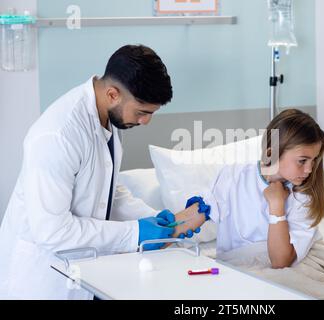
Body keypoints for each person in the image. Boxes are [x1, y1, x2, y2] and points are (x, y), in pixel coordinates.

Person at [0, 44, 199, 299]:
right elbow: (52, 231)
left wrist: (158, 219)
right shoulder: (57, 135)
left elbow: (108, 191)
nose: (146, 121)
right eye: (142, 112)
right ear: (113, 94)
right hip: (42, 281)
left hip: (85, 272)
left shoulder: (107, 116)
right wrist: (136, 232)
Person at [203, 109, 324, 268]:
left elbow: (280, 262)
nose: (310, 169)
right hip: (234, 266)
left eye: (313, 160)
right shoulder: (235, 175)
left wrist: (277, 206)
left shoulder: (304, 195)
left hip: (286, 266)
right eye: (302, 161)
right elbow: (196, 215)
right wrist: (167, 231)